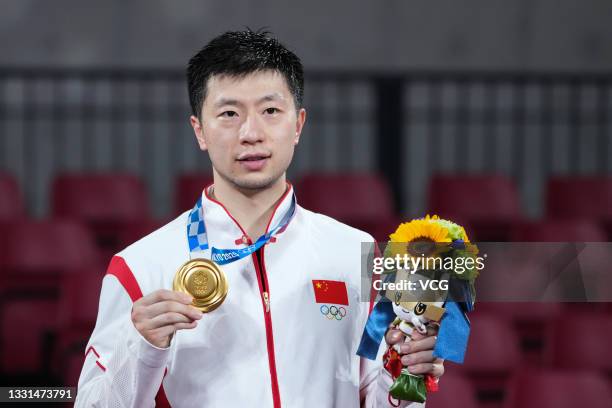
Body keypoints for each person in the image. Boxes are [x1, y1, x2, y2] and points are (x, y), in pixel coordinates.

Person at [75, 30, 444, 407]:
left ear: (298, 124)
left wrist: (405, 379)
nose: (251, 133)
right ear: (199, 131)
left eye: (270, 111)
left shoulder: (359, 252)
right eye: (229, 114)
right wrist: (141, 347)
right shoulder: (139, 267)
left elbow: (379, 398)